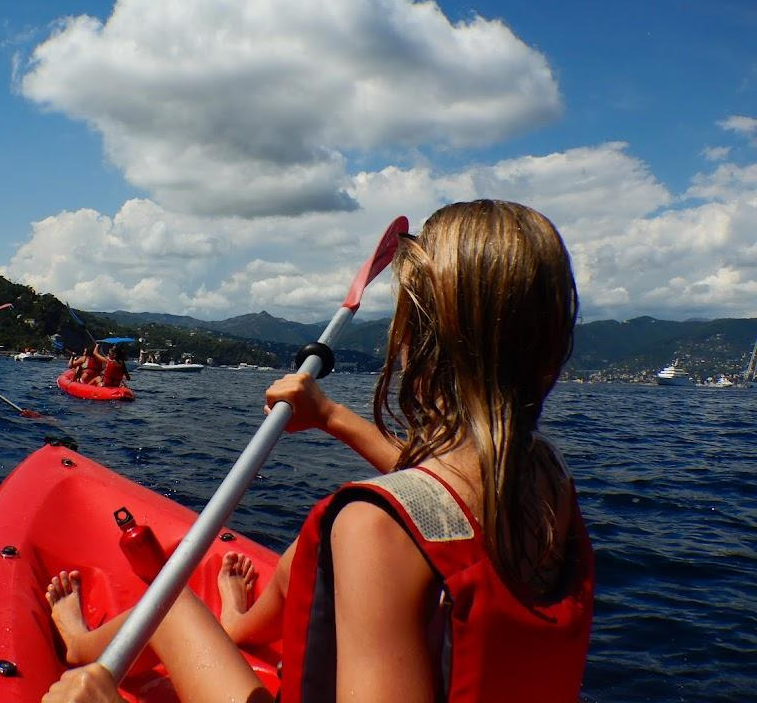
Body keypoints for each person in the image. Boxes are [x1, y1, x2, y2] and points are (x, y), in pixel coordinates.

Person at [41, 200, 595, 703]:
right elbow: (441, 500)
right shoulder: (547, 481)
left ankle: (82, 645)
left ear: (414, 341)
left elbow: (418, 508)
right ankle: (240, 623)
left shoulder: (376, 530)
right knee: (300, 557)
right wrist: (329, 415)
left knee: (167, 603)